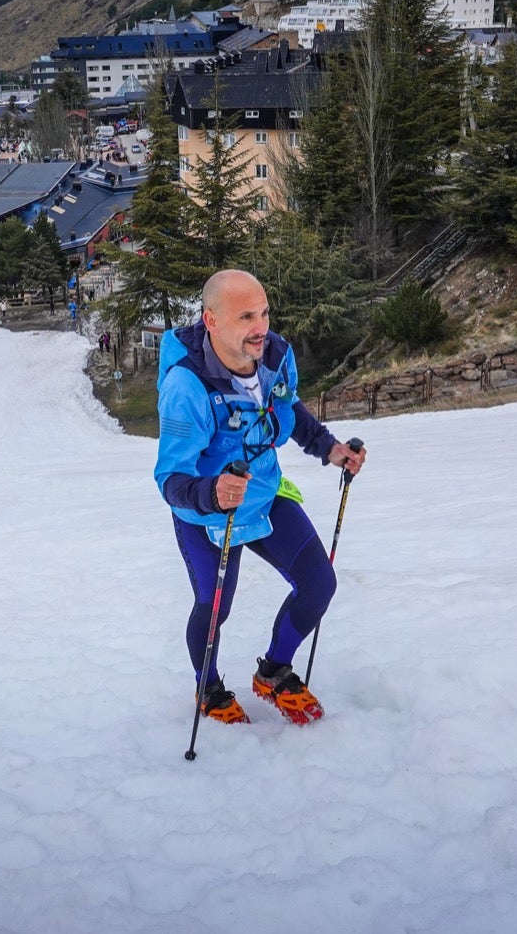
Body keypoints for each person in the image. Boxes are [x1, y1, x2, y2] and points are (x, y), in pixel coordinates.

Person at [154, 269, 367, 726]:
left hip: (264, 494)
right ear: (211, 321)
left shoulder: (275, 355)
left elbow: (289, 409)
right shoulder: (185, 386)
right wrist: (211, 492)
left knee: (318, 584)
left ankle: (273, 672)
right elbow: (170, 477)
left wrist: (330, 449)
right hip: (205, 513)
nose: (261, 327)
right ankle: (208, 688)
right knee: (215, 606)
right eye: (246, 316)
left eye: (265, 312)